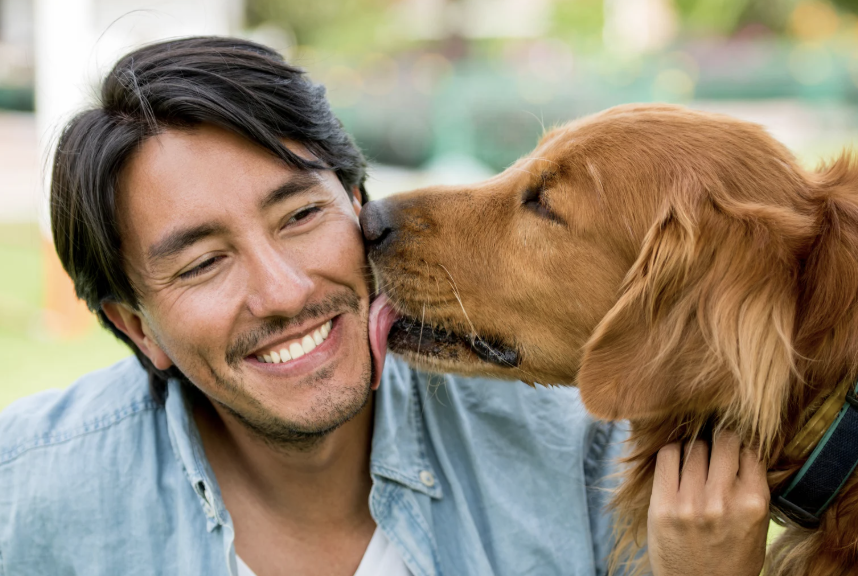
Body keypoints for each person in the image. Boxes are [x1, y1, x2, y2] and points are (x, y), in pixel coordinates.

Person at [0, 37, 770, 576]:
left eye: (301, 217)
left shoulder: (600, 458)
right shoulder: (26, 495)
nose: (286, 292)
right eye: (203, 263)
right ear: (137, 329)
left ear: (358, 203)